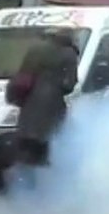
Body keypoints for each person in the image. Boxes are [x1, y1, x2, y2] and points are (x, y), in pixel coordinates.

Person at [8, 28, 79, 182]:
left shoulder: (35, 49)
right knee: (48, 148)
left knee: (26, 149)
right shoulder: (68, 54)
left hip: (28, 105)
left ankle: (23, 185)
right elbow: (69, 84)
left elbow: (21, 75)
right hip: (51, 108)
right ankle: (43, 190)